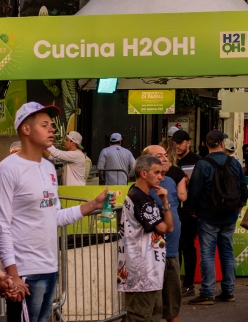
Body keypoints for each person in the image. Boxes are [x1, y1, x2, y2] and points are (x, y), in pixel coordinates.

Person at [0, 102, 113, 322]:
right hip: (25, 272)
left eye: (51, 125)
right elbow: (2, 224)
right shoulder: (8, 168)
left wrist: (93, 205)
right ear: (26, 129)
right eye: (44, 125)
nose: (52, 129)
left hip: (51, 268)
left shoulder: (49, 167)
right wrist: (12, 275)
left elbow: (55, 217)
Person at [186, 130, 248, 305]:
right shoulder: (234, 163)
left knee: (207, 255)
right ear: (222, 143)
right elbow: (243, 187)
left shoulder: (202, 164)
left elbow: (195, 190)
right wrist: (239, 205)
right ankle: (228, 291)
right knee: (227, 253)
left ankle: (207, 293)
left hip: (207, 215)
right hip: (229, 215)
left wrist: (192, 209)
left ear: (206, 144)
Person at [119, 155, 174, 322]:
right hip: (142, 272)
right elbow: (165, 228)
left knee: (152, 314)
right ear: (143, 173)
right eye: (157, 172)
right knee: (140, 316)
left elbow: (168, 227)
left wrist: (164, 201)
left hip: (149, 271)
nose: (161, 177)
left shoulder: (142, 195)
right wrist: (165, 203)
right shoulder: (140, 198)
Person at [142, 145, 186, 322]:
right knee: (153, 310)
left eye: (166, 155)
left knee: (173, 307)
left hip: (172, 251)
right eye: (159, 156)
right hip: (152, 255)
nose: (166, 158)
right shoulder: (142, 189)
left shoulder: (169, 181)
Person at [173, 130, 201, 297]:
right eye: (175, 142)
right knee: (175, 247)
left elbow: (202, 187)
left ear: (188, 143)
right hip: (174, 210)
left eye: (180, 142)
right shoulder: (171, 161)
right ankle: (175, 282)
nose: (177, 145)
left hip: (189, 210)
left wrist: (195, 209)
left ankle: (189, 284)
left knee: (187, 246)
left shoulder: (197, 161)